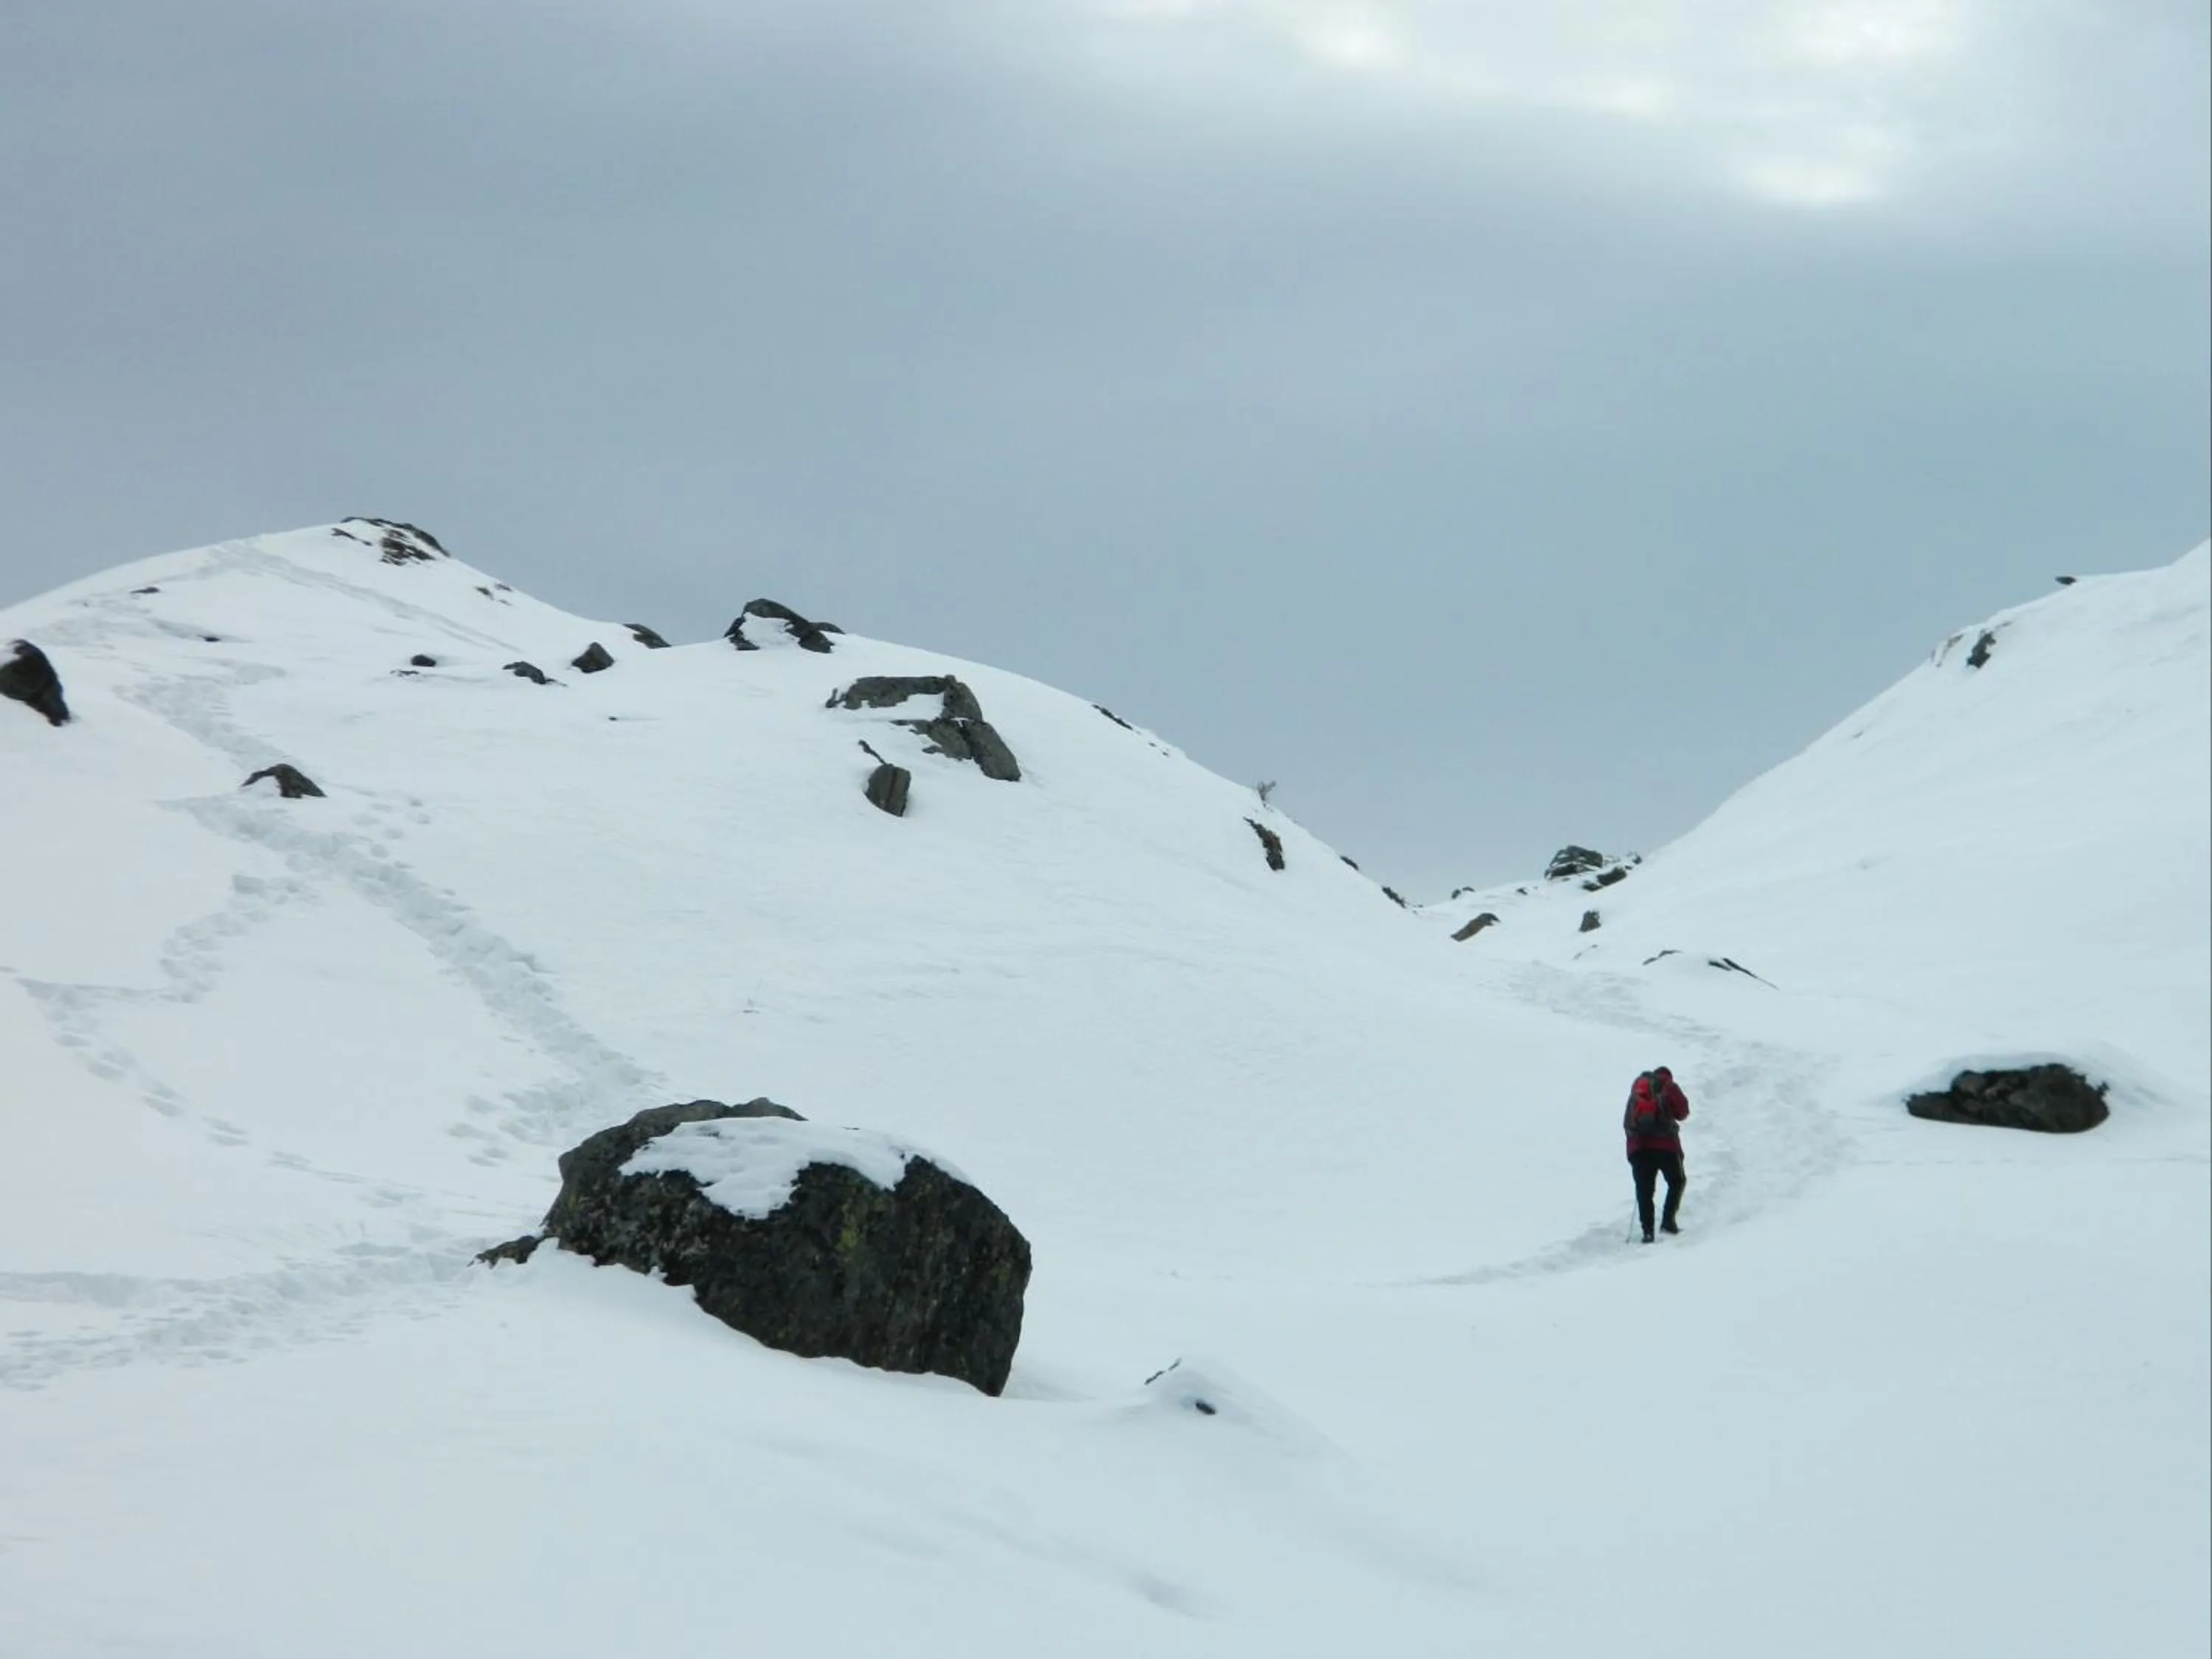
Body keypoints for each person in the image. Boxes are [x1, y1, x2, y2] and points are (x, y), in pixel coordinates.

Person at [1623, 1065, 1690, 1242]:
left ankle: (1647, 1232)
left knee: (1645, 1191)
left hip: (1639, 1147)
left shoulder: (1637, 1088)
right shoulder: (1669, 1086)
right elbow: (1683, 1113)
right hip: (1666, 1146)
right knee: (1677, 1181)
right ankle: (1668, 1222)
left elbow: (1628, 1121)